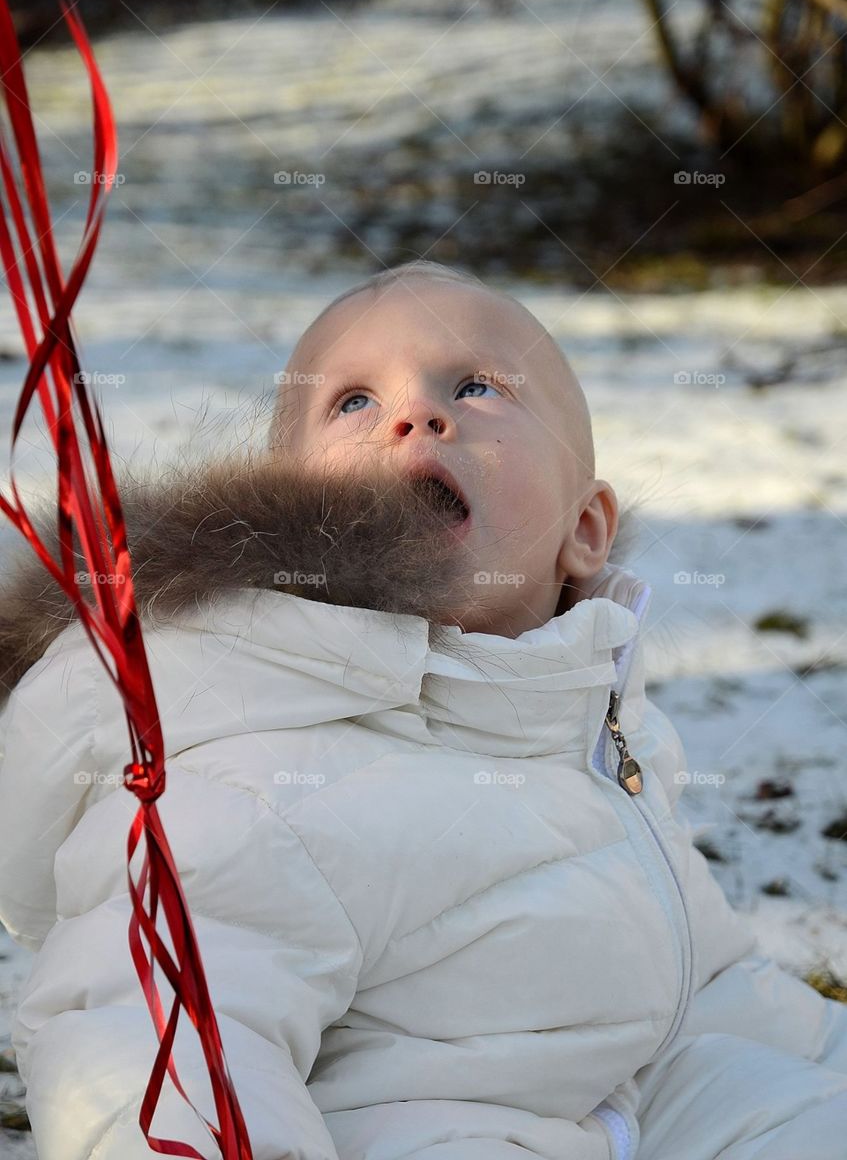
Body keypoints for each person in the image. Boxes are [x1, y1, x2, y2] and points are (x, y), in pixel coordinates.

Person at [0, 258, 845, 1159]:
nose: (414, 414)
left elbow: (710, 989)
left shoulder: (588, 723)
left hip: (642, 1106)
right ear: (286, 507)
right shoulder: (255, 766)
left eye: (476, 386)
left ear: (585, 531)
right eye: (352, 402)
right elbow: (159, 1043)